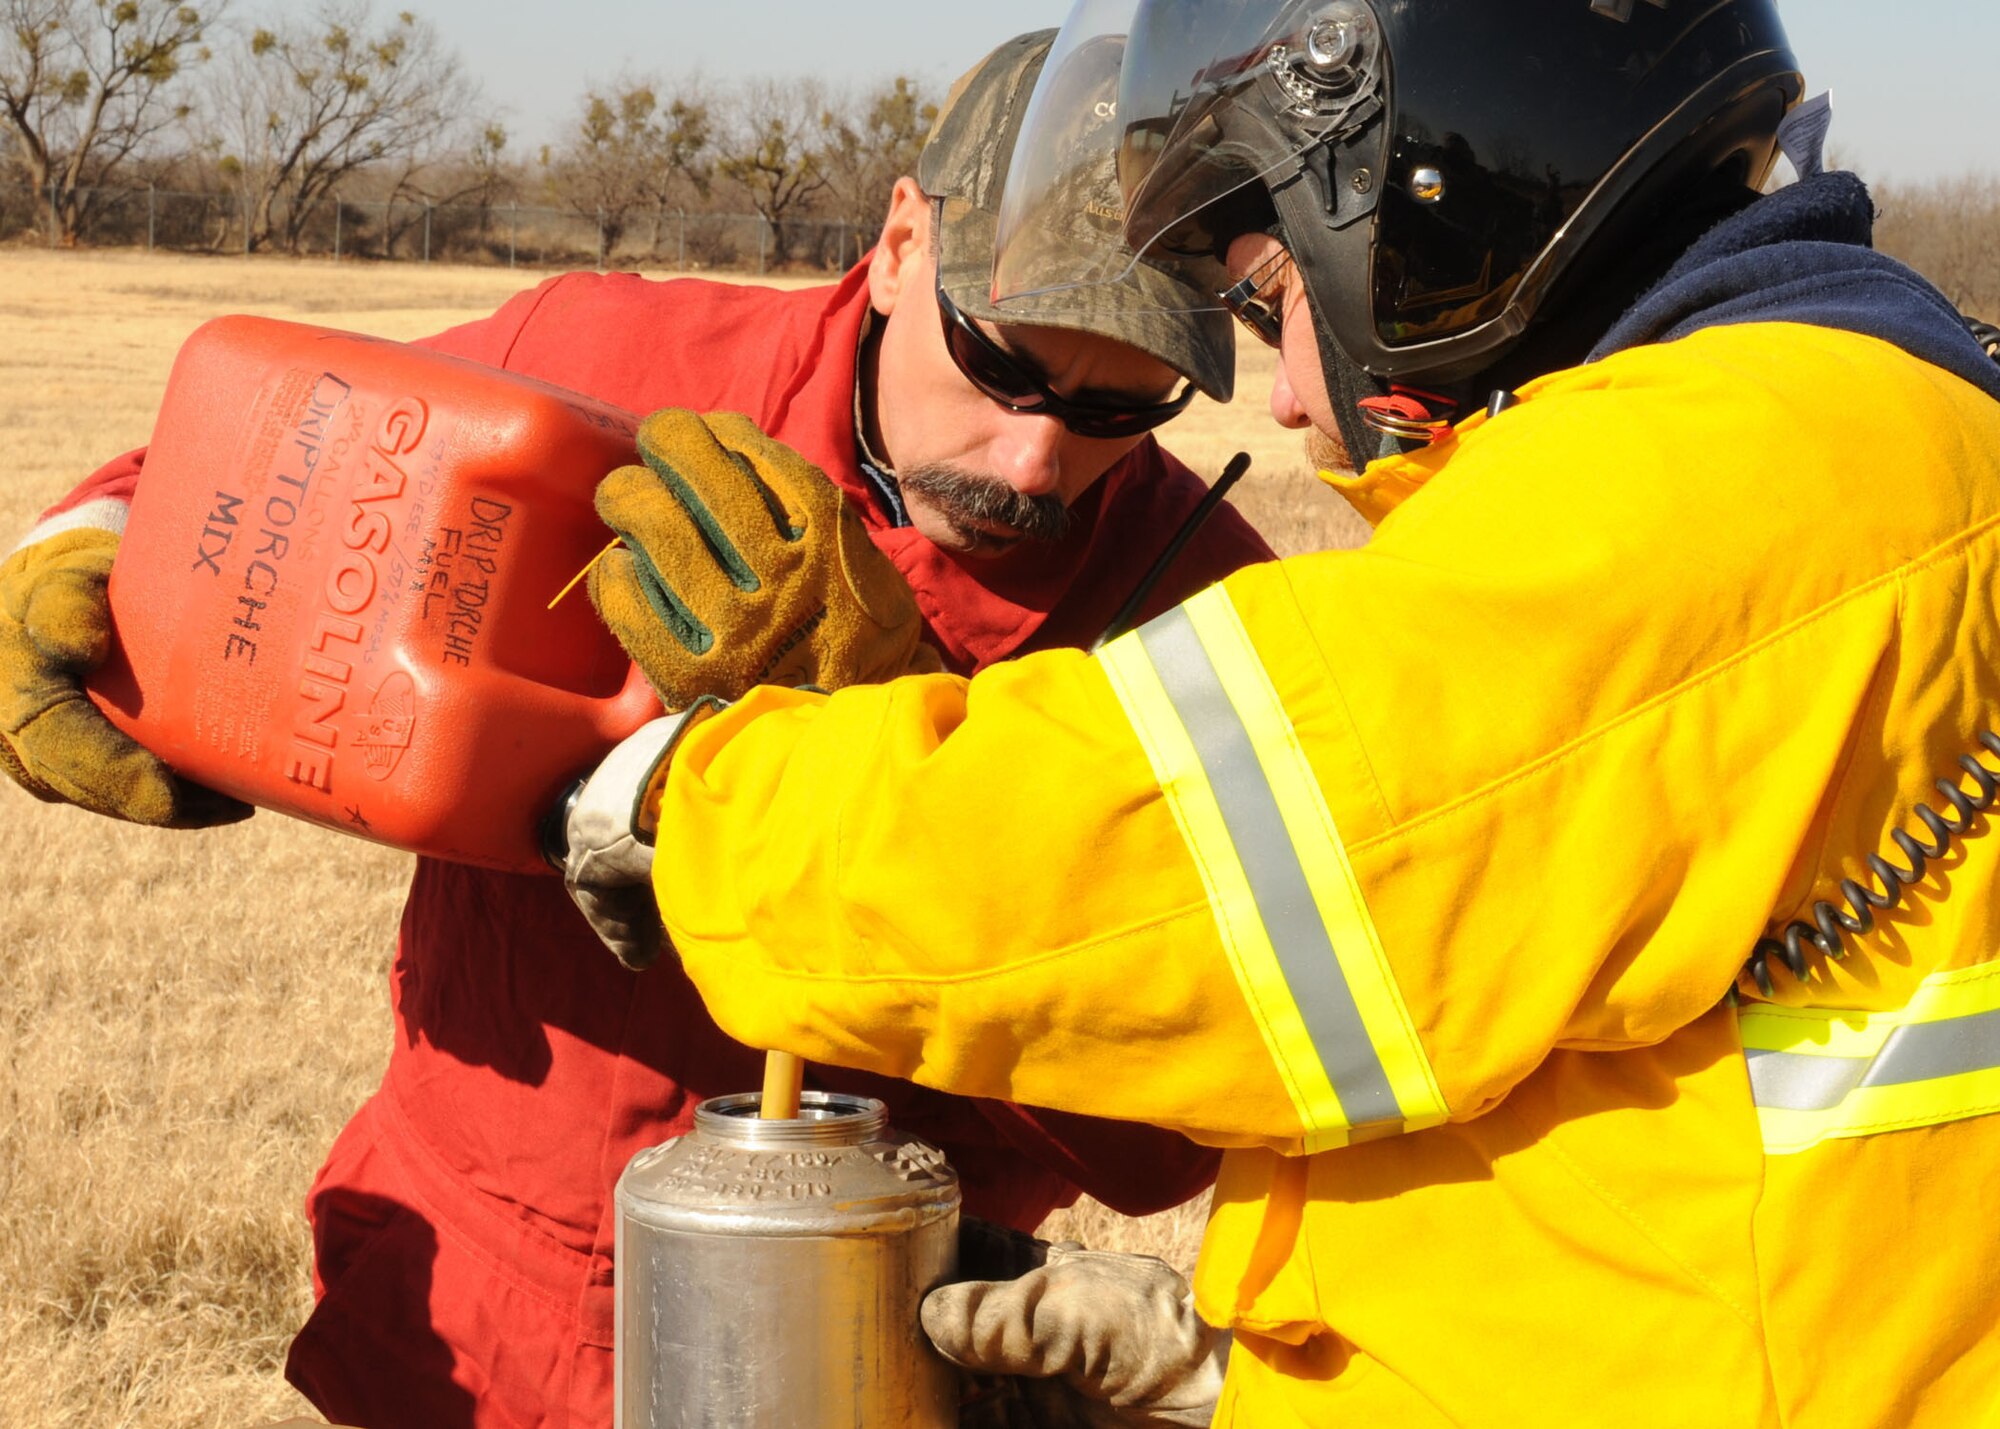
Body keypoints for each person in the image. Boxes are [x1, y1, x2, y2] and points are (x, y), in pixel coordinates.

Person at [560, 1, 2000, 1424]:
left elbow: (1177, 874)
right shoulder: (1852, 444)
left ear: (1440, 208)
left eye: (1275, 298)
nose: (1300, 400)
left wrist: (709, 796)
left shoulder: (1727, 486)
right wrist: (1250, 1373)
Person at [0, 32, 1276, 1429]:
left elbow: (1164, 1140)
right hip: (465, 1297)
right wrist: (84, 542)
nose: (1037, 459)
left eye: (1118, 406)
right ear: (904, 242)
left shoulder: (1216, 623)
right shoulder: (617, 356)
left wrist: (899, 739)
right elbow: (277, 451)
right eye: (1002, 363)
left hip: (848, 1343)